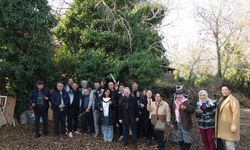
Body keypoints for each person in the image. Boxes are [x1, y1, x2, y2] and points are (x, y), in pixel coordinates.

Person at [215, 83, 240, 150]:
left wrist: (234, 125)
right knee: (221, 143)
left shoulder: (233, 100)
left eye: (226, 89)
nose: (224, 91)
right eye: (223, 90)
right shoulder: (221, 99)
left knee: (229, 143)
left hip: (229, 126)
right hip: (221, 125)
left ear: (230, 90)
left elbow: (236, 113)